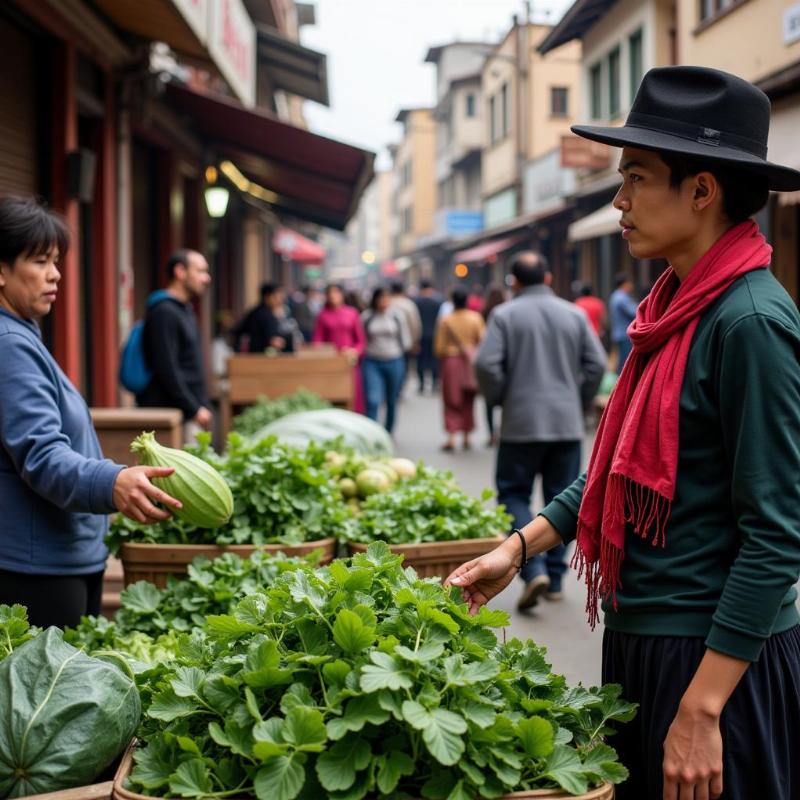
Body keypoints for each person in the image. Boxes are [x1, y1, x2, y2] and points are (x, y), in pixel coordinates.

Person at [447, 66, 800, 800]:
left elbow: (776, 536)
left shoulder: (751, 323)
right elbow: (614, 468)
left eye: (637, 178)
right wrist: (517, 547)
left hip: (715, 661)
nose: (620, 201)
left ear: (701, 191)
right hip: (648, 644)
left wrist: (702, 708)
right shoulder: (671, 307)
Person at [0, 197, 182, 629]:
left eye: (56, 261)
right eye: (40, 261)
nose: (55, 274)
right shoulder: (10, 345)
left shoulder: (21, 336)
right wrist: (112, 481)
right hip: (36, 571)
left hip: (55, 559)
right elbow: (41, 454)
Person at [474, 251, 605, 610]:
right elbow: (594, 364)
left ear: (513, 282)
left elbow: (485, 364)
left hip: (520, 424)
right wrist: (577, 400)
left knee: (513, 494)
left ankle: (532, 572)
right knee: (562, 498)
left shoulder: (504, 315)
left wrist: (502, 397)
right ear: (547, 278)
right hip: (565, 424)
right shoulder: (574, 314)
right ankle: (557, 579)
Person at [137, 248, 212, 442]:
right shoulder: (164, 312)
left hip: (188, 412)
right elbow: (167, 368)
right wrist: (193, 408)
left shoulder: (184, 309)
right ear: (180, 271)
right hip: (173, 416)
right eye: (200, 271)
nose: (206, 278)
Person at [435, 288, 486, 451]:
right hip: (470, 363)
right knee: (468, 397)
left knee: (451, 398)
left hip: (451, 362)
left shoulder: (446, 320)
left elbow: (439, 347)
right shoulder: (475, 318)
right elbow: (483, 340)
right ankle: (467, 435)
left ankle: (451, 436)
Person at [361, 287, 411, 433]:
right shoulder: (367, 316)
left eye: (386, 298)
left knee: (391, 399)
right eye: (381, 298)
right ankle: (371, 432)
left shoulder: (397, 316)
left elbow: (405, 339)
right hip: (372, 361)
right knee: (373, 399)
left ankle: (388, 431)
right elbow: (361, 338)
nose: (384, 301)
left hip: (394, 360)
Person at [312, 284, 366, 413]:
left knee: (353, 399)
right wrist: (324, 352)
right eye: (330, 293)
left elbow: (361, 341)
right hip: (330, 364)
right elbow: (317, 341)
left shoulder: (352, 313)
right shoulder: (323, 315)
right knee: (333, 398)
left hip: (349, 362)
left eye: (336, 293)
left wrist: (354, 351)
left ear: (342, 295)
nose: (333, 296)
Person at [231, 283, 294, 354]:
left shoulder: (260, 312)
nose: (280, 300)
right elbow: (271, 339)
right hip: (260, 356)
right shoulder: (262, 314)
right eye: (276, 297)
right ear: (267, 297)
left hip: (260, 355)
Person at [481, 285, 507, 447]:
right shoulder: (507, 311)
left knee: (489, 403)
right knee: (508, 403)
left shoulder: (486, 313)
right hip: (507, 364)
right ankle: (503, 432)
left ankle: (491, 434)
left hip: (492, 360)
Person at [389, 281, 422, 391]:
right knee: (404, 366)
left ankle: (394, 387)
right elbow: (415, 324)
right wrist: (415, 341)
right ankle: (399, 386)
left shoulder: (387, 303)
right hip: (406, 342)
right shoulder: (409, 304)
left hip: (390, 342)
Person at [413, 279, 442, 394]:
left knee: (421, 360)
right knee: (434, 360)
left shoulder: (416, 302)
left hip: (420, 335)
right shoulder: (438, 301)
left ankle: (422, 384)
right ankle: (435, 383)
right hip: (435, 334)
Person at [609, 273, 637, 373]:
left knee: (621, 360)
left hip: (618, 333)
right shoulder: (622, 298)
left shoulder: (615, 296)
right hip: (625, 334)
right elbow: (634, 312)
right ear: (625, 284)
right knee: (625, 362)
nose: (631, 286)